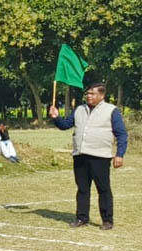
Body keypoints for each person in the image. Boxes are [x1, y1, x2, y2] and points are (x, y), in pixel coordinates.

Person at [50, 83, 128, 230]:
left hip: (100, 156)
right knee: (82, 189)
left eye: (92, 93)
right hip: (80, 155)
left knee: (103, 189)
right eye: (87, 93)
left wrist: (120, 154)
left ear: (101, 95)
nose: (88, 96)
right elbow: (65, 125)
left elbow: (121, 134)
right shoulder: (79, 109)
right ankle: (81, 218)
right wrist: (56, 117)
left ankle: (107, 220)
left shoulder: (111, 111)